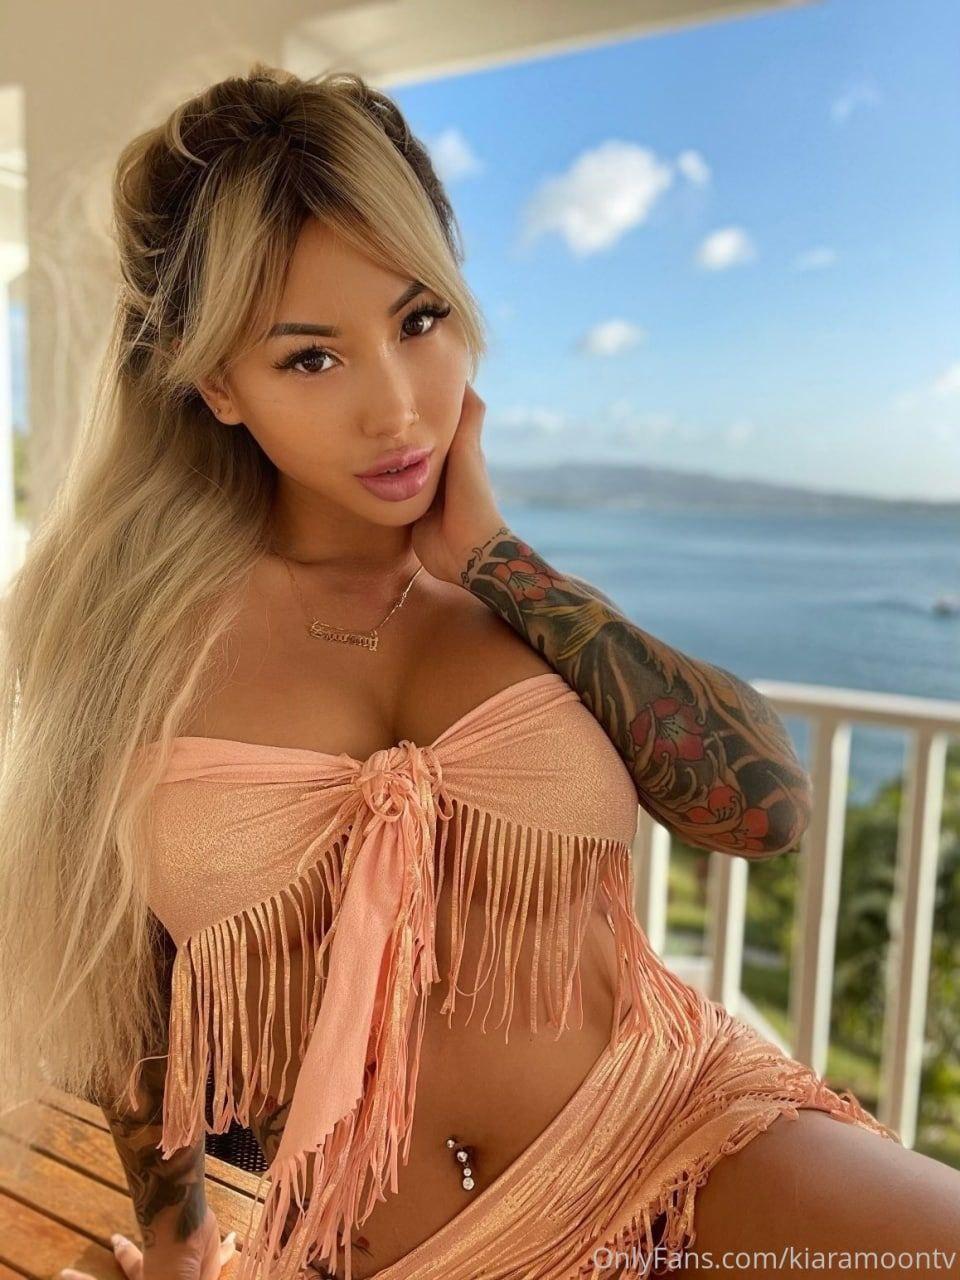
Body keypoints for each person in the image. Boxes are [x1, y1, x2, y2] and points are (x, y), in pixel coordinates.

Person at [0, 62, 955, 1280]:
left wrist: (500, 560)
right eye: (311, 358)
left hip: (681, 1136)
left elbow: (765, 809)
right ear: (216, 384)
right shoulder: (128, 649)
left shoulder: (513, 601)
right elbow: (130, 995)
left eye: (418, 321)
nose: (399, 410)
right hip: (381, 1246)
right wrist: (182, 1252)